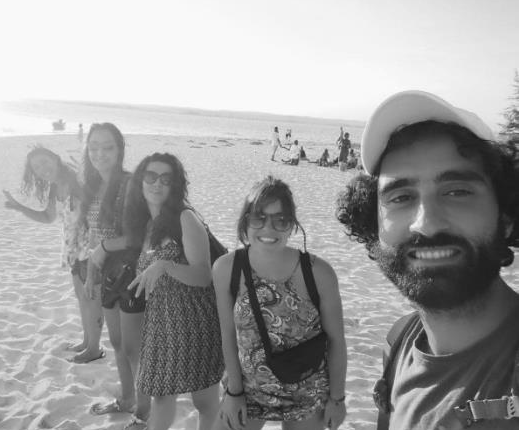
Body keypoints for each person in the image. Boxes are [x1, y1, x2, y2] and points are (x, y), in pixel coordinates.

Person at [336, 90, 519, 429]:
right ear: (375, 228)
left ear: (505, 215)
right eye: (401, 197)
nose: (427, 223)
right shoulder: (398, 342)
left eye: (457, 191)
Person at [212, 176, 347, 430]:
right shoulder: (226, 269)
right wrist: (233, 392)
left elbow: (336, 340)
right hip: (248, 389)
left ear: (292, 225)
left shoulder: (318, 272)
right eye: (258, 218)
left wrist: (337, 399)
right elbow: (227, 334)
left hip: (308, 390)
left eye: (280, 220)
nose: (268, 228)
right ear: (245, 221)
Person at [127, 153, 224, 430]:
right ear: (140, 180)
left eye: (166, 179)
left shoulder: (185, 218)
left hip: (196, 320)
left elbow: (203, 275)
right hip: (162, 322)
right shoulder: (148, 223)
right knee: (161, 393)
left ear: (175, 185)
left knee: (204, 401)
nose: (157, 183)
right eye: (151, 176)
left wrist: (165, 266)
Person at [2, 146, 103, 362]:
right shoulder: (54, 188)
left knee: (92, 299)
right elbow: (48, 217)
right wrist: (19, 207)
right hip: (73, 249)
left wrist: (96, 252)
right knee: (82, 298)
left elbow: (99, 211)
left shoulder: (77, 180)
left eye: (44, 162)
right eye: (36, 167)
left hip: (91, 248)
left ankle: (94, 349)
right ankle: (87, 342)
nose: (42, 168)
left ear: (56, 159)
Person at [81, 123, 151, 429]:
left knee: (135, 348)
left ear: (119, 149)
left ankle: (144, 413)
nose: (100, 153)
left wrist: (105, 248)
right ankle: (126, 399)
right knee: (117, 342)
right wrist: (91, 273)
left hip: (133, 273)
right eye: (94, 147)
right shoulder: (94, 185)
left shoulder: (130, 184)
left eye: (107, 147)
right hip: (108, 274)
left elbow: (141, 235)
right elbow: (95, 235)